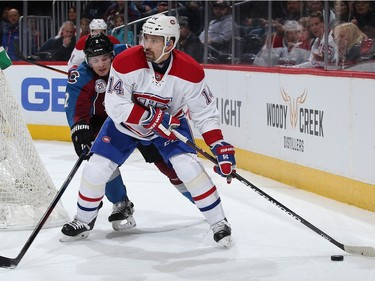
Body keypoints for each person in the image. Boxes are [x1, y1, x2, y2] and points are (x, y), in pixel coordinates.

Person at [61, 14, 236, 248]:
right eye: (145, 38)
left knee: (188, 167)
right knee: (96, 167)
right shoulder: (125, 61)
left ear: (170, 43)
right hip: (125, 125)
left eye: (154, 40)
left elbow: (204, 114)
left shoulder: (191, 72)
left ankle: (218, 222)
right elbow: (115, 104)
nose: (146, 45)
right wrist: (149, 117)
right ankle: (83, 221)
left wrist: (219, 146)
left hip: (169, 125)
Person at [62, 33, 194, 241]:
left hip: (141, 120)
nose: (101, 64)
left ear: (112, 55)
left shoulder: (128, 62)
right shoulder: (81, 76)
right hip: (108, 126)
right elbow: (77, 109)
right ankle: (120, 203)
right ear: (87, 60)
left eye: (105, 58)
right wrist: (80, 132)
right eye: (95, 60)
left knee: (168, 165)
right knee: (102, 162)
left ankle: (201, 200)